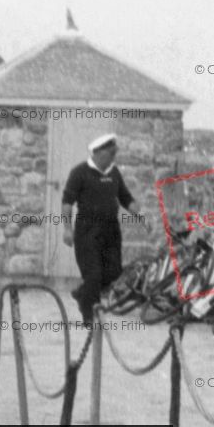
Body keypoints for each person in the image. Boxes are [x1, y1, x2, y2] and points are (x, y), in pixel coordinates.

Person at [62, 133, 150, 324]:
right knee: (93, 276)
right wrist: (67, 229)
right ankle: (89, 319)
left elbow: (126, 198)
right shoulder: (79, 172)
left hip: (110, 231)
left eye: (114, 153)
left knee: (114, 273)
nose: (113, 157)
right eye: (110, 153)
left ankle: (82, 293)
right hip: (88, 230)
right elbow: (67, 202)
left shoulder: (114, 172)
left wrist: (141, 215)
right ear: (98, 152)